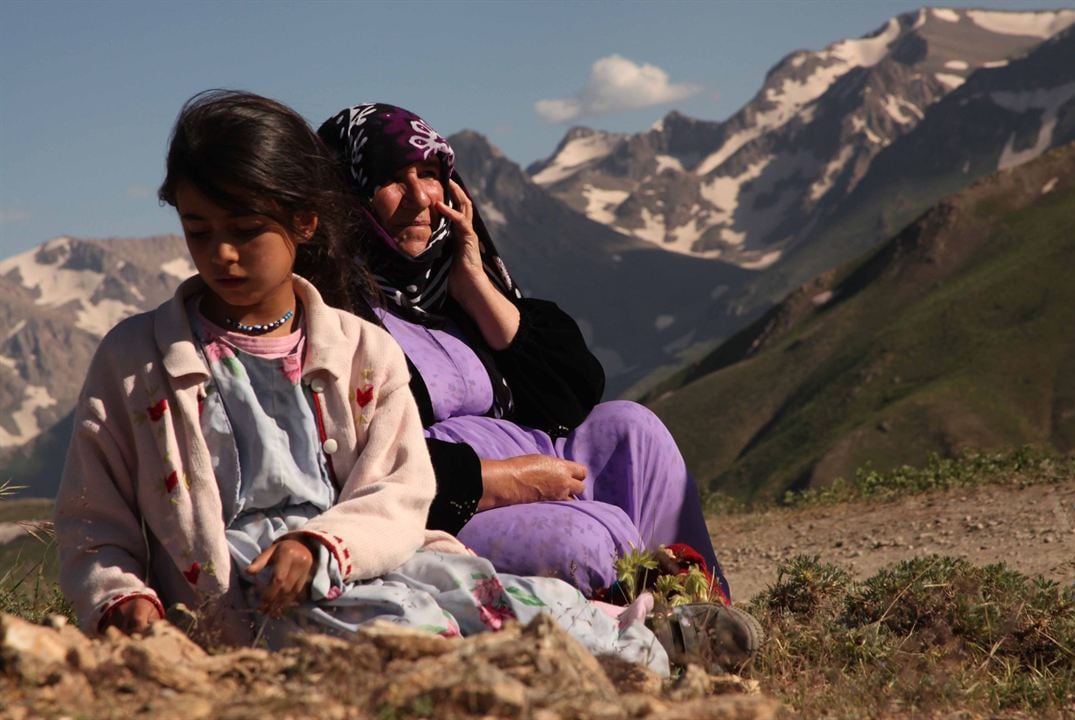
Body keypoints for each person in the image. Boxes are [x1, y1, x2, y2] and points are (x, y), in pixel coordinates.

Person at [51, 89, 674, 672]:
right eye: (199, 230)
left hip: (359, 561)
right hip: (239, 598)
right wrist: (122, 598)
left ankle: (644, 642)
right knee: (406, 629)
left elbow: (399, 491)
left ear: (306, 223)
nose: (222, 255)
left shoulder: (359, 350)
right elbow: (92, 515)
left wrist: (323, 545)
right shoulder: (136, 361)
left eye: (245, 231)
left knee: (495, 596)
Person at [316, 103, 730, 600]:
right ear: (347, 196)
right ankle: (632, 636)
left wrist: (474, 286)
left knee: (632, 428)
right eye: (391, 179)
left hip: (536, 466)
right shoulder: (334, 315)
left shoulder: (452, 290)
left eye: (429, 174)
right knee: (583, 541)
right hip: (442, 504)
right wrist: (505, 479)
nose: (420, 197)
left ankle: (701, 606)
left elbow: (573, 394)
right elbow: (360, 458)